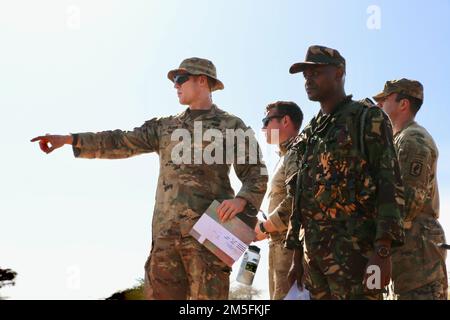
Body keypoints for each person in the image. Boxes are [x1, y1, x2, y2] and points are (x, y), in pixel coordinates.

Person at [31, 57, 268, 300]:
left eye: (180, 79)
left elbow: (256, 173)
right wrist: (71, 139)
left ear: (202, 80)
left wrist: (242, 201)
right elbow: (120, 141)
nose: (175, 85)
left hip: (209, 239)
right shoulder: (165, 126)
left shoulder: (231, 125)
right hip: (165, 239)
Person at [284, 45, 405, 299]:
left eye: (315, 72)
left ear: (338, 72)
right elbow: (299, 195)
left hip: (356, 258)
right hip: (314, 259)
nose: (307, 79)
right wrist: (296, 252)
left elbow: (389, 183)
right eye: (305, 74)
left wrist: (383, 250)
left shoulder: (367, 117)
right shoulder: (309, 132)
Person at [373, 79, 448, 300]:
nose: (379, 106)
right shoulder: (398, 140)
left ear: (403, 104)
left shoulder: (413, 139)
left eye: (384, 100)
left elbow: (407, 202)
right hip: (406, 250)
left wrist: (377, 239)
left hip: (417, 253)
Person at [254, 101, 303, 300]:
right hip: (279, 245)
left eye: (267, 121)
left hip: (290, 248)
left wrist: (265, 226)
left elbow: (297, 199)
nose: (263, 128)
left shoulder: (296, 151)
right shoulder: (285, 155)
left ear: (285, 121)